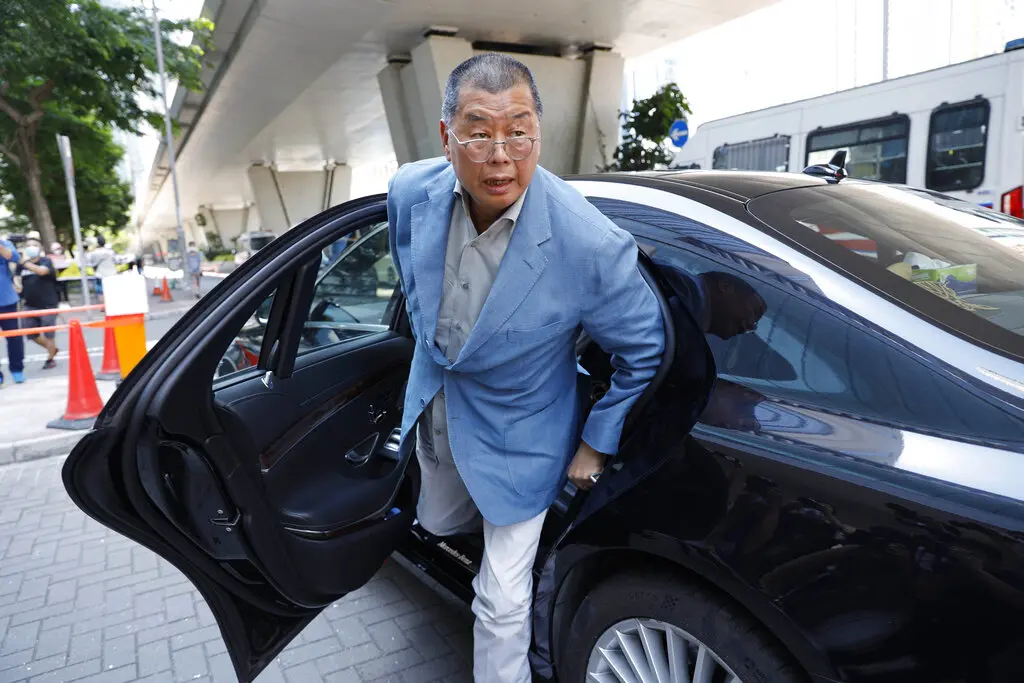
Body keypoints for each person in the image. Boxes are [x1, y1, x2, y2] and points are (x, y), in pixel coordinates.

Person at [386, 53, 665, 682]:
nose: (500, 154)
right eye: (479, 132)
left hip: (524, 433)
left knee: (502, 600)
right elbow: (411, 277)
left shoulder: (586, 243)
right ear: (446, 137)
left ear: (539, 128)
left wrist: (596, 443)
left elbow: (644, 349)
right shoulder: (409, 191)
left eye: (518, 129)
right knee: (436, 527)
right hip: (439, 413)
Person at [18, 238, 60, 369]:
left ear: (40, 248)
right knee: (30, 333)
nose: (31, 247)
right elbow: (16, 277)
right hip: (30, 305)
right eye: (28, 245)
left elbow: (42, 271)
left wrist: (24, 261)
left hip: (48, 304)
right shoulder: (21, 266)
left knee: (48, 334)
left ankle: (50, 358)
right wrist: (17, 284)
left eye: (34, 245)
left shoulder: (46, 262)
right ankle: (52, 349)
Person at [0, 236, 25, 386]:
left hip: (6, 299)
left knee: (14, 337)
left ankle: (17, 370)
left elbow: (15, 258)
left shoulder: (4, 243)